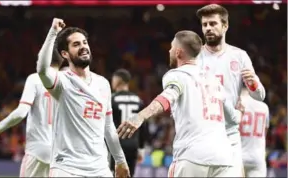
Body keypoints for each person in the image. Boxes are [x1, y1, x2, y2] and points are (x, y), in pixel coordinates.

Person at [118, 30, 239, 177]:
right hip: (223, 158)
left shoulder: (178, 74)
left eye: (171, 47)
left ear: (179, 52)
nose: (169, 50)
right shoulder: (215, 81)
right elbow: (233, 118)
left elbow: (167, 98)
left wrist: (140, 116)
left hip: (193, 156)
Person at [37, 18, 129, 177]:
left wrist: (120, 160)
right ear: (65, 54)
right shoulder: (62, 82)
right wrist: (53, 33)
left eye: (85, 42)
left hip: (99, 168)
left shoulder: (103, 84)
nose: (83, 47)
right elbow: (43, 70)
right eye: (76, 44)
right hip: (66, 168)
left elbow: (108, 127)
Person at [195, 4, 266, 176]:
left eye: (213, 24)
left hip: (229, 134)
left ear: (225, 26)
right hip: (200, 134)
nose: (208, 28)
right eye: (205, 25)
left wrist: (254, 83)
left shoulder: (239, 56)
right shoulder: (195, 57)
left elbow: (260, 96)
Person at [0, 48, 64, 177]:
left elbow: (21, 113)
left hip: (37, 150)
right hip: (61, 152)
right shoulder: (69, 82)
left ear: (43, 59)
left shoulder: (35, 79)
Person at [110, 69, 148, 177]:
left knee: (114, 174)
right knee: (129, 175)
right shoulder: (138, 100)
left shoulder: (112, 99)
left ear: (118, 80)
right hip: (133, 144)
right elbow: (143, 126)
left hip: (116, 146)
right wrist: (141, 148)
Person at [240, 87, 270, 177]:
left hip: (238, 156)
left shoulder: (236, 104)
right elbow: (265, 132)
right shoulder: (264, 107)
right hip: (257, 156)